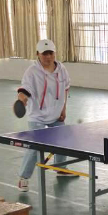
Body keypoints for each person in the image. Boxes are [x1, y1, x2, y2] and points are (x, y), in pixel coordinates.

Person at [16, 40, 72, 192]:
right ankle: (23, 178)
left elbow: (65, 89)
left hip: (55, 114)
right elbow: (24, 89)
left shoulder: (62, 69)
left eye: (50, 53)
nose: (48, 57)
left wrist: (63, 109)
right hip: (37, 116)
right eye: (44, 53)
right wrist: (21, 100)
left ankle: (61, 168)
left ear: (55, 53)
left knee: (63, 140)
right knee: (35, 146)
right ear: (38, 54)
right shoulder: (32, 72)